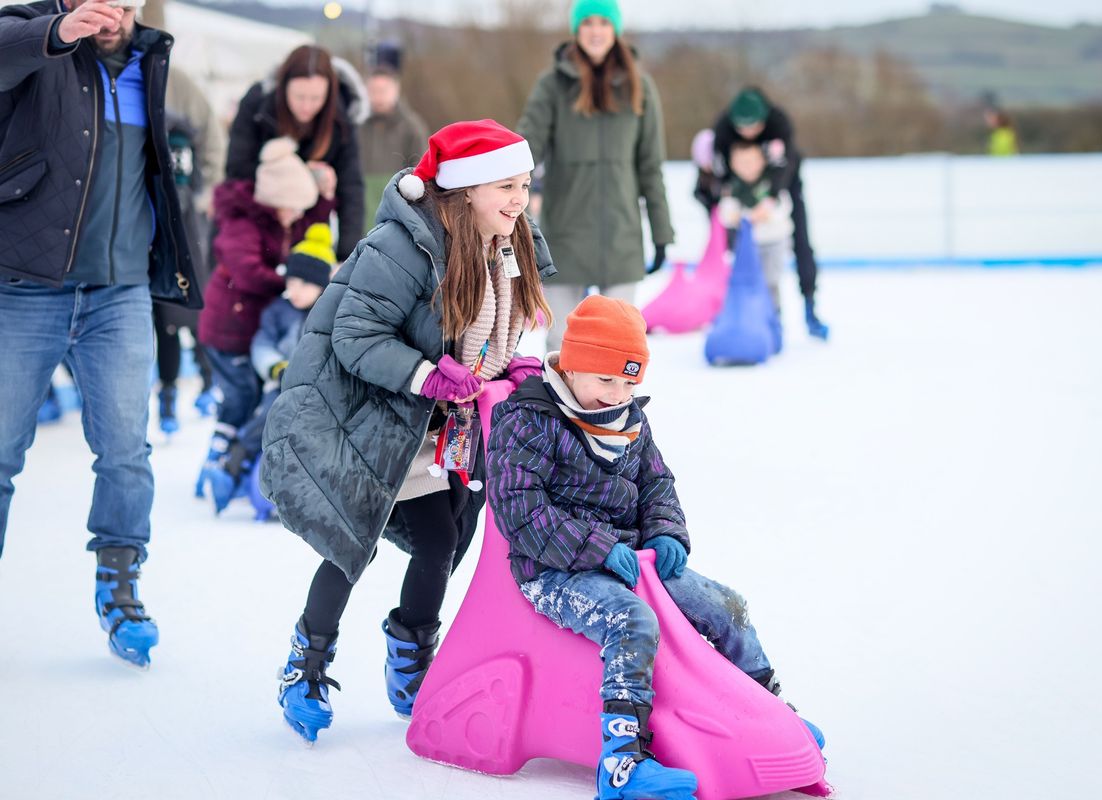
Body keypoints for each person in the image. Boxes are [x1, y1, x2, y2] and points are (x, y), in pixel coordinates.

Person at [259, 119, 555, 742]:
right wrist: (426, 375)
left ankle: (410, 652)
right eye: (505, 186)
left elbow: (520, 316)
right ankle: (305, 666)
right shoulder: (401, 247)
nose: (518, 200)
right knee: (352, 539)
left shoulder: (508, 240)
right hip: (367, 415)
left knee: (445, 539)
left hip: (446, 425)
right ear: (466, 190)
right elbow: (355, 336)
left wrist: (520, 357)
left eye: (524, 185)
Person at [487, 295, 825, 800]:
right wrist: (596, 548)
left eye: (629, 382)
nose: (617, 394)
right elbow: (520, 511)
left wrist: (665, 531)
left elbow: (657, 485)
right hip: (552, 571)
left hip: (634, 560)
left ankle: (771, 715)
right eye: (605, 379)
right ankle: (622, 763)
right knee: (632, 621)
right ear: (573, 364)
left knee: (725, 605)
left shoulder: (629, 421)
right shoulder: (529, 420)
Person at [0, 0, 202, 668]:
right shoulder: (34, 33)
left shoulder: (152, 58)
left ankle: (119, 581)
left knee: (125, 451)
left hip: (119, 294)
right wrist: (56, 34)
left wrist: (176, 282)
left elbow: (162, 183)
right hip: (27, 285)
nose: (108, 8)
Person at [518, 0, 673, 350]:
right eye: (588, 22)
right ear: (577, 29)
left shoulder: (641, 86)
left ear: (615, 29)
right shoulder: (553, 85)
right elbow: (526, 149)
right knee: (561, 341)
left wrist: (662, 233)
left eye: (604, 22)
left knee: (620, 343)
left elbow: (650, 166)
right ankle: (558, 407)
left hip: (620, 236)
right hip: (565, 235)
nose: (596, 30)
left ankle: (615, 406)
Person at [196, 136, 335, 499]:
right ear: (274, 199)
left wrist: (324, 198)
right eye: (290, 208)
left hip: (253, 325)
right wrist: (293, 282)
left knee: (256, 400)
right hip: (228, 327)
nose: (294, 217)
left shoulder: (281, 221)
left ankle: (240, 463)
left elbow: (313, 242)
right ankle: (220, 461)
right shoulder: (243, 224)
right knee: (241, 397)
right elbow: (248, 272)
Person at [696, 86, 830, 340]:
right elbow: (715, 173)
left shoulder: (779, 124)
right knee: (732, 254)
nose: (747, 132)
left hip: (781, 187)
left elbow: (788, 164)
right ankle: (735, 312)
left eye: (753, 127)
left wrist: (770, 198)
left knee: (800, 243)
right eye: (742, 128)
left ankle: (810, 308)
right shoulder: (723, 129)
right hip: (738, 191)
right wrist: (725, 200)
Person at [225, 44, 365, 263]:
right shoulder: (257, 103)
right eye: (299, 96)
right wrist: (298, 176)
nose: (307, 106)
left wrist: (346, 257)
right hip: (256, 225)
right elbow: (236, 168)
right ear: (283, 87)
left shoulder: (342, 118)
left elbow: (351, 189)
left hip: (312, 233)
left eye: (316, 98)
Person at [155, 67, 228, 432]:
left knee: (196, 309)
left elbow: (213, 146)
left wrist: (205, 196)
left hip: (188, 228)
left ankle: (208, 381)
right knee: (166, 320)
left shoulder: (183, 96)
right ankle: (168, 392)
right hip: (153, 231)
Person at [717, 139, 794, 313]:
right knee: (747, 282)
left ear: (762, 161)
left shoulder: (771, 183)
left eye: (751, 161)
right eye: (741, 162)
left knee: (770, 282)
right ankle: (751, 316)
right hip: (748, 245)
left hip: (774, 241)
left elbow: (783, 206)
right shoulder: (733, 188)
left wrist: (767, 214)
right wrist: (740, 217)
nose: (747, 167)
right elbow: (725, 213)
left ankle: (774, 318)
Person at [359, 65, 429, 236]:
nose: (378, 96)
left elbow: (421, 175)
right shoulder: (356, 126)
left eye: (383, 90)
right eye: (373, 90)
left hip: (396, 214)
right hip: (362, 212)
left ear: (395, 91)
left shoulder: (412, 127)